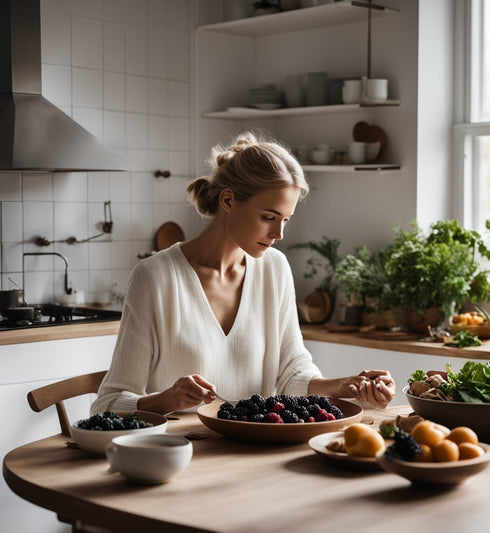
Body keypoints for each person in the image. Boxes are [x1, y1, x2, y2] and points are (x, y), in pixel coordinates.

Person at [91, 132, 395, 416]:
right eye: (268, 217)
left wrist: (343, 386)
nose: (278, 233)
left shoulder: (274, 268)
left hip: (256, 454)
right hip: (180, 458)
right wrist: (167, 399)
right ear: (227, 201)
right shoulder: (155, 277)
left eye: (285, 220)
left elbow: (292, 372)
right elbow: (107, 405)